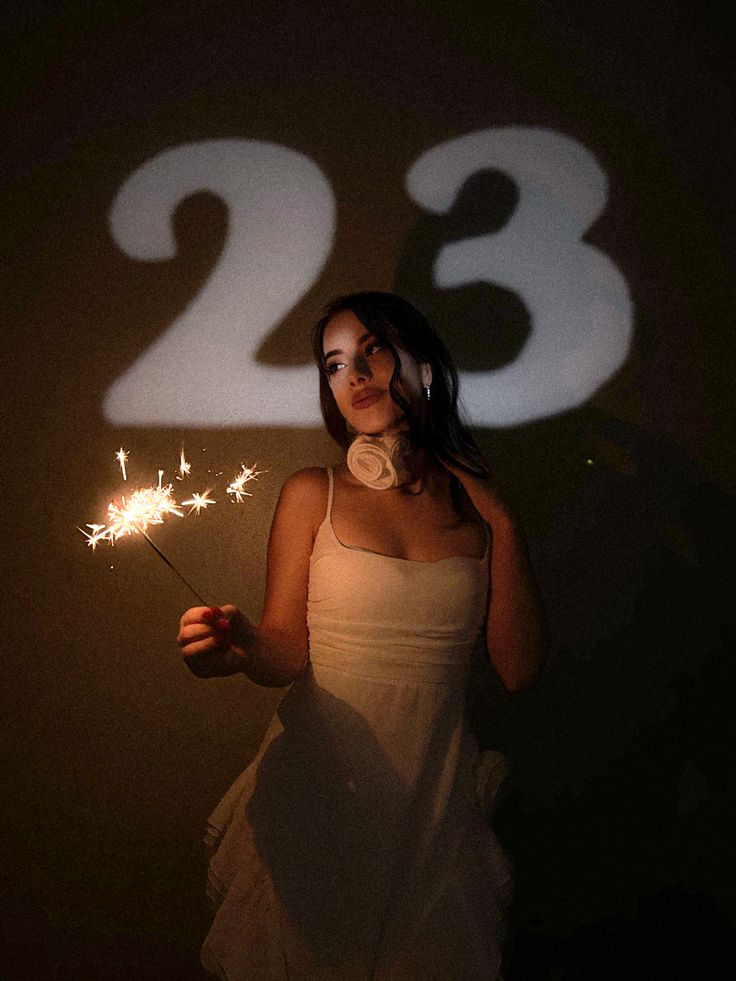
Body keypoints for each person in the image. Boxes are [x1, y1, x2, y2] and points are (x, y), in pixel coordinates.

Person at [177, 291, 550, 980]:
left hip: (429, 808)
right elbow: (286, 648)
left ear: (424, 362)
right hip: (321, 797)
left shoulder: (480, 512)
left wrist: (502, 518)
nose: (354, 374)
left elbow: (521, 670)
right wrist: (241, 649)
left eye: (373, 348)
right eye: (334, 364)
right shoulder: (309, 492)